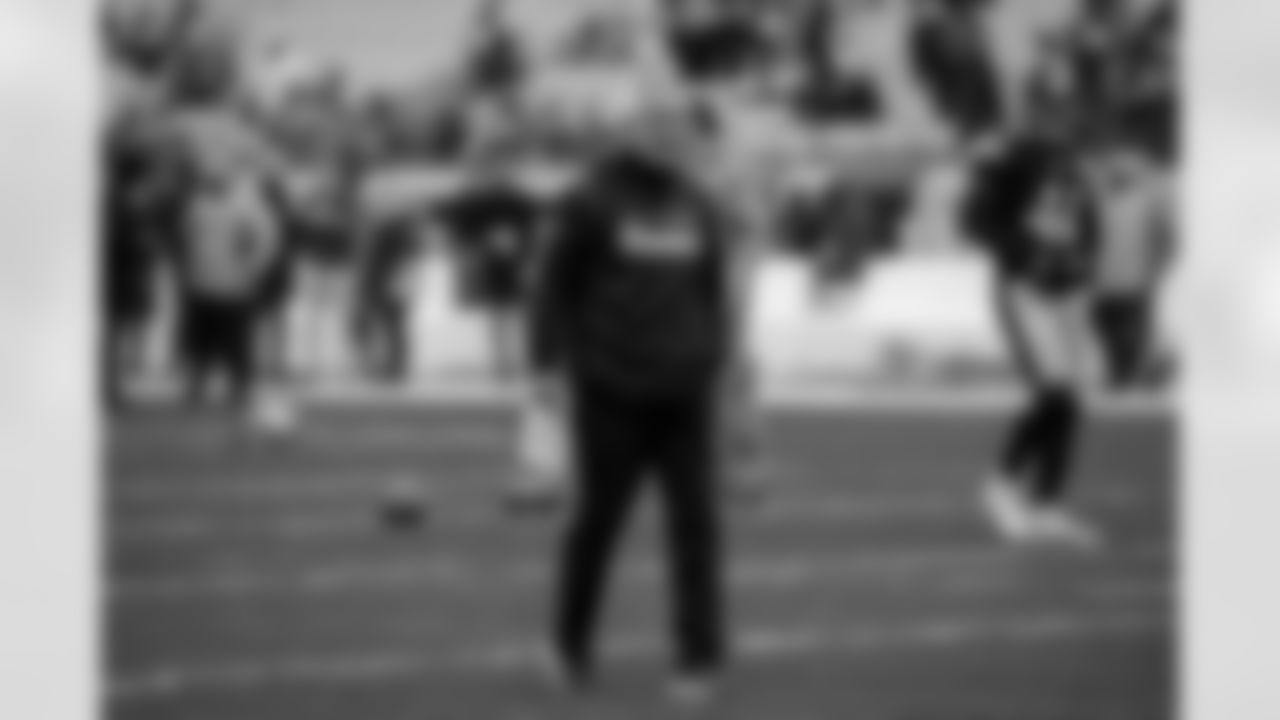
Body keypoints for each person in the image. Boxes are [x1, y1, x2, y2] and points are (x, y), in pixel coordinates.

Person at [530, 117, 734, 704]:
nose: (679, 150)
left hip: (685, 394)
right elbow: (554, 286)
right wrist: (546, 367)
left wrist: (713, 353)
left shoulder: (698, 203)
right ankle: (569, 646)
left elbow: (712, 287)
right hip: (611, 392)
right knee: (596, 526)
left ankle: (699, 656)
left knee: (696, 528)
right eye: (668, 139)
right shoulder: (589, 201)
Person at [961, 114, 1105, 550]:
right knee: (1054, 392)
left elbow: (1088, 228)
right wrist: (1022, 253)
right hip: (1024, 290)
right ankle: (1001, 485)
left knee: (1072, 397)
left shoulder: (1077, 174)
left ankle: (1047, 504)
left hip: (1065, 292)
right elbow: (975, 222)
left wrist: (1082, 264)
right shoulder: (1019, 166)